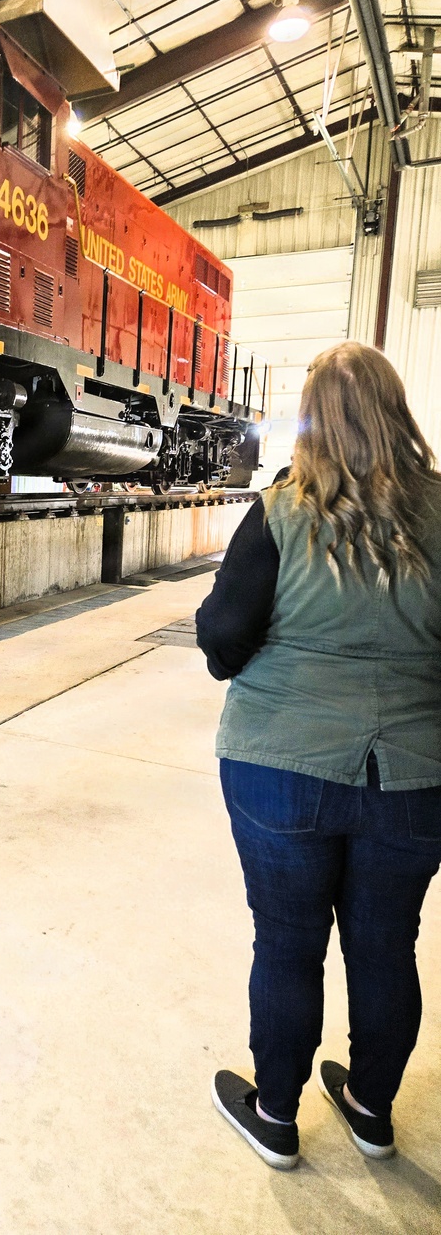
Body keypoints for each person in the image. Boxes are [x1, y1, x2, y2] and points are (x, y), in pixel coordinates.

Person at [196, 341, 441, 1170]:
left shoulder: (277, 513)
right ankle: (371, 1109)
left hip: (279, 767)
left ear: (314, 420)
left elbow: (224, 639)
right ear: (396, 410)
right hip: (414, 776)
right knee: (385, 943)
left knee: (289, 940)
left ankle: (276, 1114)